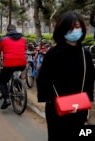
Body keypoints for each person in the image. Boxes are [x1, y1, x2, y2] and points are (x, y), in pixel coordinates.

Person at [36, 11, 94, 141]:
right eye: (70, 27)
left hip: (80, 108)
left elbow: (90, 80)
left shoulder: (85, 54)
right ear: (62, 30)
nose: (74, 30)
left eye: (77, 27)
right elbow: (43, 80)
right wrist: (53, 100)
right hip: (57, 109)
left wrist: (88, 100)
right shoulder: (53, 53)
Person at [0, 24, 27, 109]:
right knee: (16, 76)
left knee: (2, 81)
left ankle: (6, 99)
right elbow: (24, 49)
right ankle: (18, 90)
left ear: (8, 31)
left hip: (9, 64)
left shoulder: (4, 39)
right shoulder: (23, 39)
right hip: (22, 64)